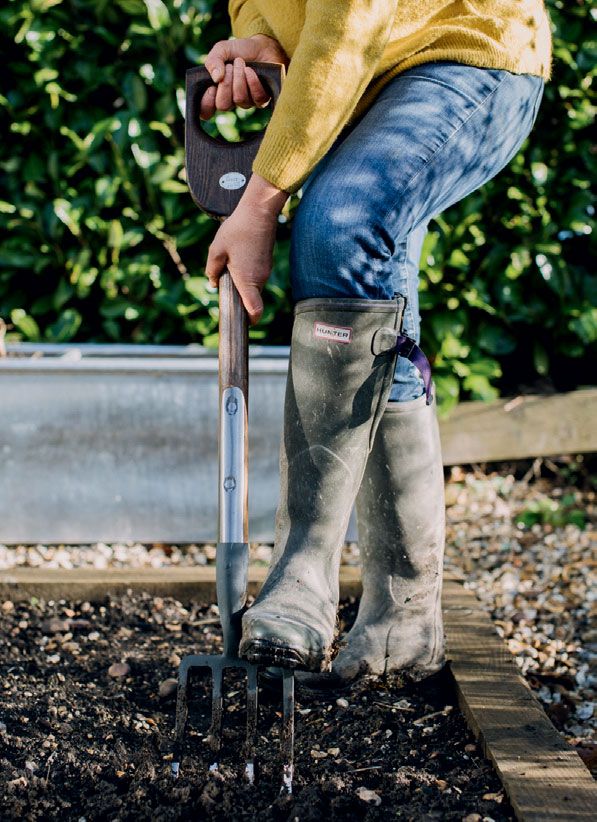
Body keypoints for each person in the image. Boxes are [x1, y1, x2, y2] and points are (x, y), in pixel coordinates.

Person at [202, 1, 551, 688]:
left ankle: (303, 573)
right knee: (369, 289)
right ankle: (403, 616)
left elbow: (350, 19)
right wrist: (267, 39)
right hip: (375, 67)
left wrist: (257, 206)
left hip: (467, 51)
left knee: (342, 223)